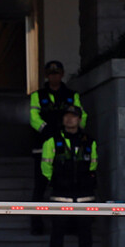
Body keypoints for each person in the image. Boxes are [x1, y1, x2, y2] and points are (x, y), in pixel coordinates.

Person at [28, 60, 85, 235]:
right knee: (40, 186)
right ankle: (37, 224)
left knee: (68, 187)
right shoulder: (38, 95)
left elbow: (81, 115)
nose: (54, 77)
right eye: (51, 74)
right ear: (46, 76)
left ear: (62, 74)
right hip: (43, 145)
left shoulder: (71, 95)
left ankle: (70, 224)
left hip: (68, 146)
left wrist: (75, 130)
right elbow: (33, 116)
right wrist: (46, 130)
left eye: (57, 73)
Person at [42, 105, 98, 247]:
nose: (69, 119)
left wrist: (87, 180)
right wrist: (56, 180)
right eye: (66, 116)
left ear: (79, 120)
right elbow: (45, 166)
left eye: (73, 116)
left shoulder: (89, 142)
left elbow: (93, 165)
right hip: (60, 194)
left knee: (86, 233)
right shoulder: (53, 141)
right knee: (57, 232)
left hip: (85, 195)